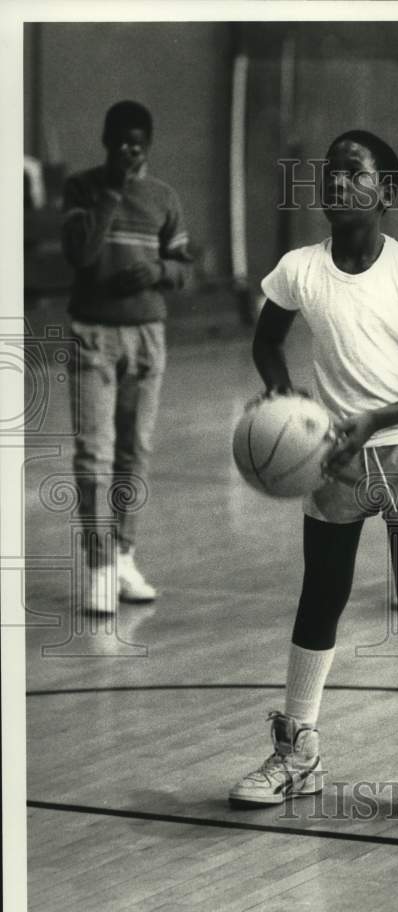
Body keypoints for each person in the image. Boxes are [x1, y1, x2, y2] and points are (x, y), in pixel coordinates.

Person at [229, 130, 398, 825]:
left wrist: (375, 420)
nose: (337, 183)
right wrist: (282, 395)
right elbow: (266, 341)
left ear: (386, 193)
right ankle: (299, 752)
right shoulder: (300, 268)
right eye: (330, 173)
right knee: (322, 596)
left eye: (354, 173)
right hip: (332, 457)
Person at [61, 100, 191, 614]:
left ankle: (124, 555)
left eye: (136, 144)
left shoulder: (164, 196)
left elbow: (185, 268)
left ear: (148, 146)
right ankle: (97, 567)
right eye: (118, 142)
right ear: (105, 141)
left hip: (147, 336)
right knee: (95, 453)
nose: (127, 151)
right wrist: (112, 193)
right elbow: (82, 256)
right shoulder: (82, 188)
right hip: (94, 333)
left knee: (135, 452)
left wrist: (157, 271)